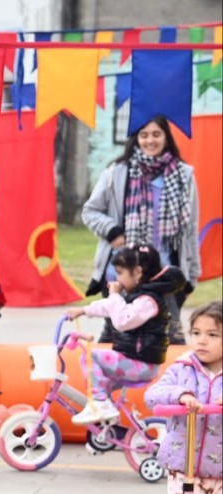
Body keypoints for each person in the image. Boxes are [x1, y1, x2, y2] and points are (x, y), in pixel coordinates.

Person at [81, 114, 200, 345]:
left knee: (169, 339)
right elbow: (90, 210)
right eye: (144, 135)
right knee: (118, 337)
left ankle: (175, 381)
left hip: (164, 274)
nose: (150, 141)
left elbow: (190, 228)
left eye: (156, 134)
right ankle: (101, 379)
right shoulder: (116, 172)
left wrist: (192, 273)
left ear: (166, 137)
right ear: (136, 139)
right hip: (124, 273)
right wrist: (112, 231)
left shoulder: (183, 175)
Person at [143, 301, 222, 494]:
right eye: (197, 332)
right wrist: (181, 395)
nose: (202, 340)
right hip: (183, 470)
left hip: (219, 474)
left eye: (213, 334)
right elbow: (153, 394)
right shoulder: (182, 369)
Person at [66, 243, 185, 425]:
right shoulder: (139, 294)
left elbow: (122, 321)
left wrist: (114, 295)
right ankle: (106, 425)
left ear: (137, 272)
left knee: (90, 357)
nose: (117, 278)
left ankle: (100, 405)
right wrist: (83, 310)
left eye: (121, 273)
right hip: (135, 361)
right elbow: (109, 306)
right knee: (99, 382)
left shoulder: (148, 300)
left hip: (141, 364)